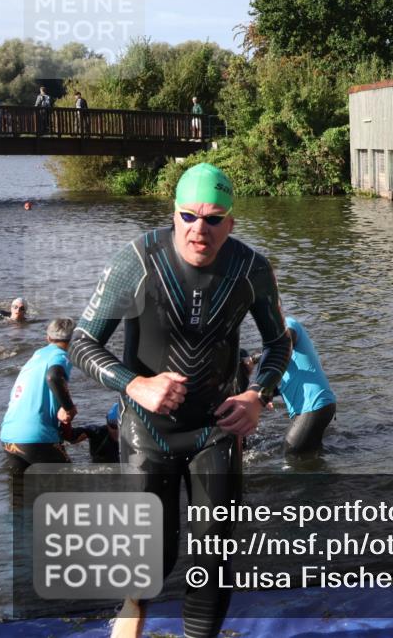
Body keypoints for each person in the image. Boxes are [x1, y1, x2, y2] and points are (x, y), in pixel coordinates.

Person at [69, 162, 291, 638]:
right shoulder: (138, 260)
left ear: (231, 222)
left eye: (213, 219)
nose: (199, 229)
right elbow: (82, 341)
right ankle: (131, 610)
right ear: (174, 215)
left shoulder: (251, 268)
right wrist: (135, 384)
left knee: (212, 552)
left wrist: (257, 396)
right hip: (147, 431)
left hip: (218, 428)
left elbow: (279, 343)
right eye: (189, 216)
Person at [0, 318, 78, 474]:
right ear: (74, 341)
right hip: (36, 438)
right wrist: (68, 408)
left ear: (48, 338)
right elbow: (53, 376)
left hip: (9, 437)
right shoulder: (62, 355)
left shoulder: (37, 356)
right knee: (69, 487)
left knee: (21, 495)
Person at [277, 316, 337, 454]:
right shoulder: (274, 341)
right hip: (314, 407)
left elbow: (286, 344)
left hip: (313, 406)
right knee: (310, 455)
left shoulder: (287, 324)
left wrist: (253, 359)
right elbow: (289, 379)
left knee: (291, 453)